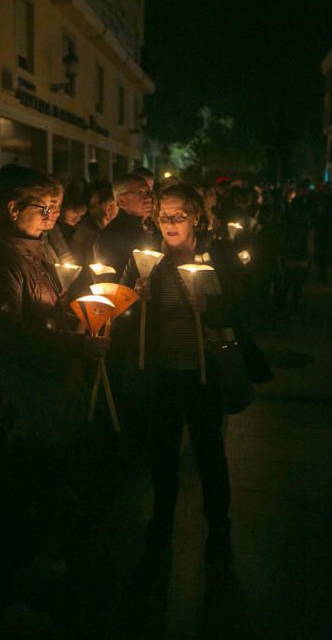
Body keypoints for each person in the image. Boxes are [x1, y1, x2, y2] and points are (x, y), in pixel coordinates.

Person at [0, 165, 109, 634]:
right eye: (43, 209)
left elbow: (45, 303)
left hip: (42, 393)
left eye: (54, 209)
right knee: (10, 492)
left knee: (36, 486)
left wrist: (80, 308)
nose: (51, 218)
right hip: (11, 397)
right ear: (12, 209)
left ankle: (24, 572)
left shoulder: (34, 248)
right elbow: (7, 333)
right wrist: (75, 344)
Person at [123, 184, 255, 559]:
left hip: (205, 371)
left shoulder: (219, 254)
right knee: (163, 453)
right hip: (163, 372)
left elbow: (246, 304)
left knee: (209, 452)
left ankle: (218, 526)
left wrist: (212, 305)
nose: (170, 223)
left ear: (196, 215)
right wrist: (136, 296)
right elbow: (121, 307)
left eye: (179, 215)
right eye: (163, 216)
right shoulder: (146, 259)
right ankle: (161, 521)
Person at [93, 173, 159, 277]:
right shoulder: (109, 236)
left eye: (149, 192)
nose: (148, 198)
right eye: (140, 193)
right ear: (121, 201)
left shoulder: (157, 226)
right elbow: (108, 282)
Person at [70, 185, 118, 267]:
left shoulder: (116, 230)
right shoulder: (84, 231)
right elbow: (78, 259)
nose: (109, 209)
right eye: (117, 205)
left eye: (114, 205)